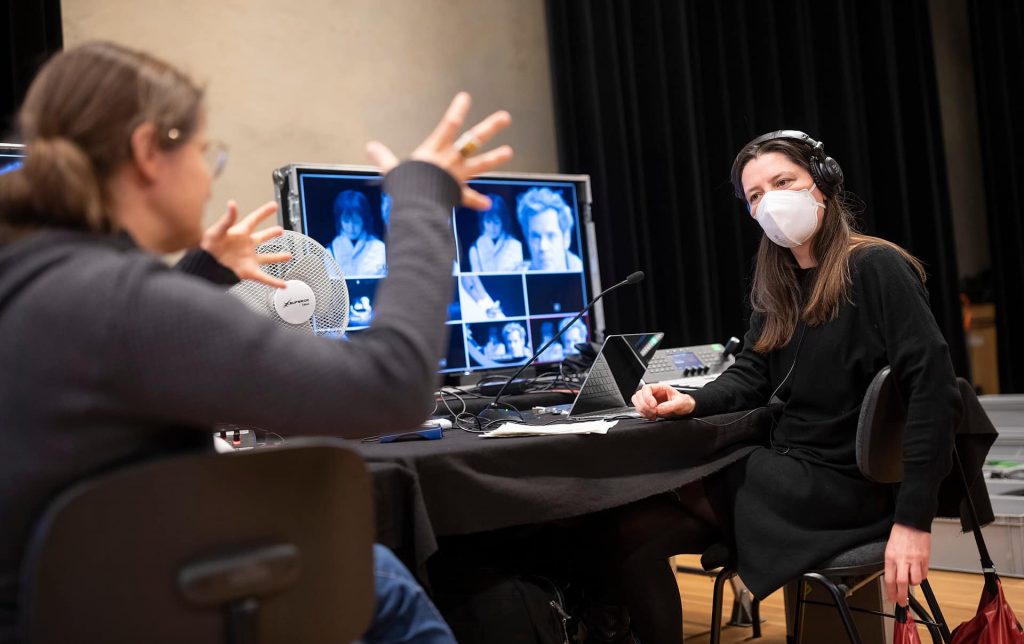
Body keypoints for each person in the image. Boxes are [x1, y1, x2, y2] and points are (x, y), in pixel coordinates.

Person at [0, 42, 512, 644]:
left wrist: (198, 274)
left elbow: (119, 359)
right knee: (381, 580)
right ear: (146, 152)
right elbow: (393, 388)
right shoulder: (129, 307)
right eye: (204, 151)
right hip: (141, 613)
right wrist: (420, 203)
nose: (208, 172)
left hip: (57, 610)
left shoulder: (35, 283)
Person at [612, 131, 962, 643]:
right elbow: (751, 375)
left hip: (843, 490)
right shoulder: (776, 283)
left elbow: (934, 391)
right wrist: (690, 399)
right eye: (756, 195)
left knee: (669, 475)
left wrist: (914, 523)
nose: (770, 200)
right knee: (627, 536)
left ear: (821, 184)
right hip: (790, 479)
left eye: (783, 181)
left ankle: (733, 539)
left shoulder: (876, 266)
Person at [515, 187, 582, 271]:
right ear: (527, 238)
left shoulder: (587, 274)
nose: (543, 247)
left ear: (566, 238)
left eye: (551, 236)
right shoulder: (516, 277)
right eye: (536, 237)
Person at [331, 189, 387, 277]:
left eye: (356, 221)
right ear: (339, 221)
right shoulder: (330, 252)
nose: (351, 227)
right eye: (346, 221)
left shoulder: (380, 249)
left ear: (364, 220)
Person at [467, 194, 523, 272]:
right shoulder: (475, 249)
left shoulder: (516, 246)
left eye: (496, 222)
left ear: (503, 222)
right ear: (482, 222)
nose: (492, 228)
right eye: (488, 222)